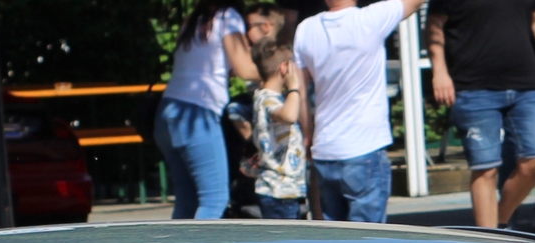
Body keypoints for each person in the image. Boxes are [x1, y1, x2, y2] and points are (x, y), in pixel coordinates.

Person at [428, 0, 535, 230]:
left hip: (526, 84)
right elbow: (435, 25)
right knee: (486, 168)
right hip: (473, 87)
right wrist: (440, 72)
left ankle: (500, 222)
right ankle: (489, 241)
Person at [295, 0, 426, 223]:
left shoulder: (306, 29)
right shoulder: (370, 19)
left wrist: (308, 135)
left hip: (325, 148)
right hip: (365, 147)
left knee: (335, 241)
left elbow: (299, 90)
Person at [158, 0, 262, 219]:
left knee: (188, 199)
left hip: (168, 113)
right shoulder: (228, 16)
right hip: (197, 116)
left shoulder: (194, 20)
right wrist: (279, 70)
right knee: (214, 200)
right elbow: (244, 69)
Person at [248, 42, 308, 218]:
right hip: (280, 191)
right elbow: (289, 116)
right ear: (284, 68)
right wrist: (294, 87)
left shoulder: (263, 96)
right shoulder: (268, 99)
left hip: (281, 190)